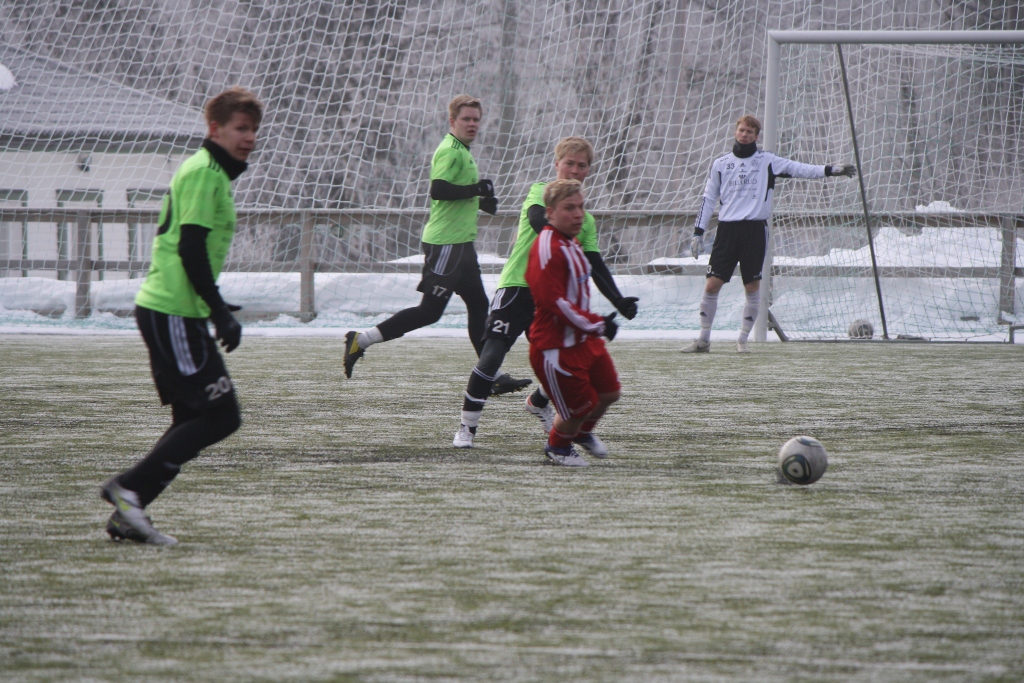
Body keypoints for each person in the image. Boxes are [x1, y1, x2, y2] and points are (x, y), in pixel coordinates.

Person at [100, 87, 262, 545]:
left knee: (190, 418)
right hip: (172, 311)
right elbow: (190, 247)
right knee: (221, 416)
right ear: (215, 129)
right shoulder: (204, 172)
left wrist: (214, 305)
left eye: (254, 130)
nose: (249, 138)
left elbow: (193, 250)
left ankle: (128, 515)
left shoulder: (211, 172)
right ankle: (129, 489)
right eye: (241, 128)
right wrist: (218, 312)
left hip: (176, 309)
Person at [453, 137, 638, 448]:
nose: (574, 170)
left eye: (581, 165)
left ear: (588, 170)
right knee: (492, 357)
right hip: (518, 287)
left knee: (570, 362)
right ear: (557, 165)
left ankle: (540, 403)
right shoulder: (541, 192)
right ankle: (466, 429)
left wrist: (618, 300)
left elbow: (595, 263)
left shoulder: (584, 220)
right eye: (569, 163)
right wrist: (564, 237)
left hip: (555, 299)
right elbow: (538, 220)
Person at [343, 95, 527, 392]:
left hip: (461, 246)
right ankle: (360, 340)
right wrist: (476, 189)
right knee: (430, 311)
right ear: (452, 121)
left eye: (476, 119)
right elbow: (439, 190)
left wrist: (481, 200)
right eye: (466, 119)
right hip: (446, 246)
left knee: (479, 306)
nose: (472, 124)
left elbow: (455, 194)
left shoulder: (463, 152)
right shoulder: (450, 151)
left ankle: (490, 376)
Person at [683, 114, 856, 353]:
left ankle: (743, 341)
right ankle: (703, 340)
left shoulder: (767, 161)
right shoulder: (721, 164)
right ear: (735, 132)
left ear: (756, 136)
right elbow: (708, 198)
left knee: (752, 287)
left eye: (750, 132)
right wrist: (698, 232)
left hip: (754, 230)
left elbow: (799, 169)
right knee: (712, 285)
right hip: (727, 230)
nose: (745, 135)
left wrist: (830, 170)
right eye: (742, 130)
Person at [524, 179, 621, 467]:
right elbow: (556, 303)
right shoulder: (547, 248)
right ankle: (558, 448)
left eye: (581, 207)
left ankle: (580, 433)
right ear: (550, 212)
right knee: (579, 408)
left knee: (609, 393)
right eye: (569, 208)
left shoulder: (571, 242)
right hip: (555, 346)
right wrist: (599, 324)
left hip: (582, 339)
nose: (579, 214)